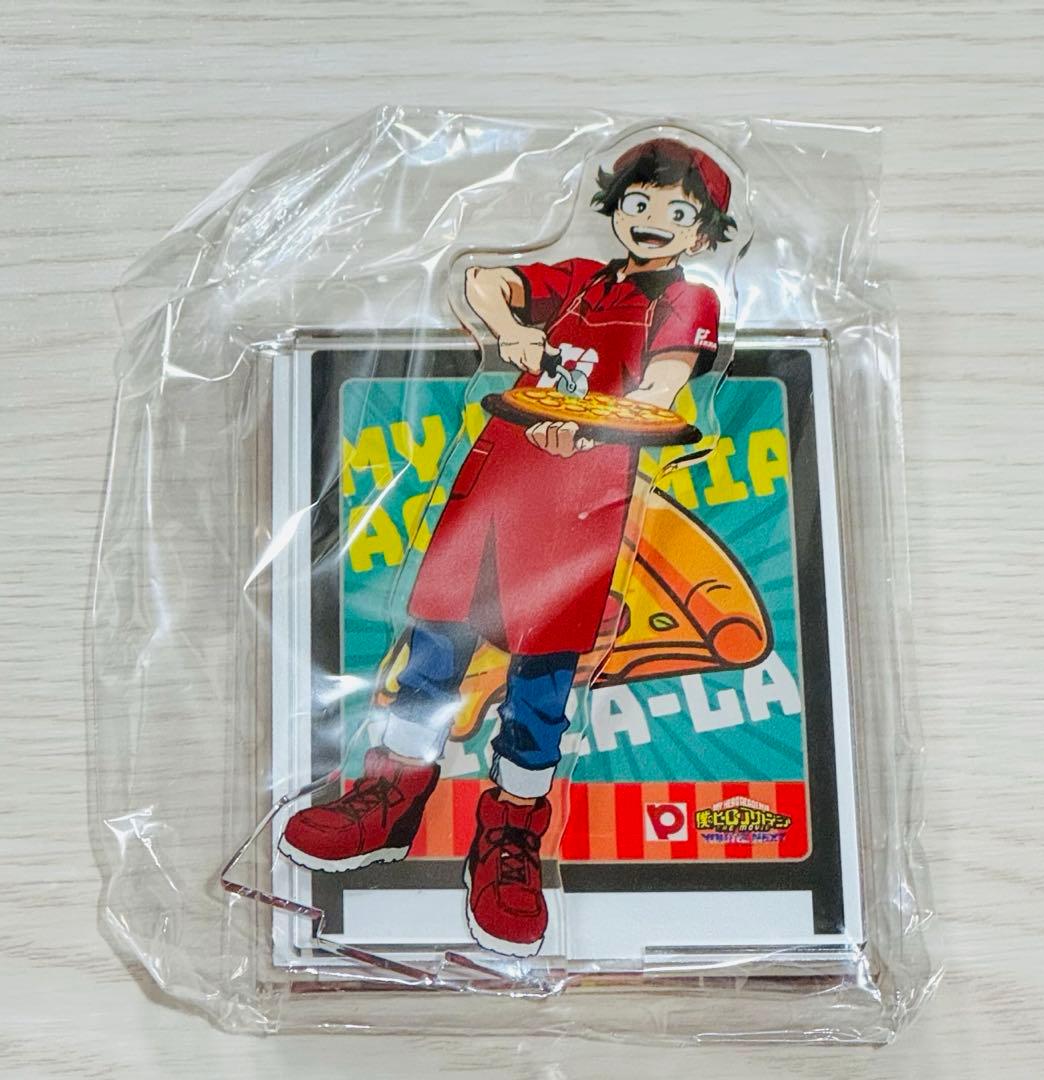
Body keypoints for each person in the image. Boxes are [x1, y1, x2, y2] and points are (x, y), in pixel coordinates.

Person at [280, 138, 737, 957]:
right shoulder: (581, 279)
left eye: (677, 211)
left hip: (580, 506)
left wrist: (597, 424)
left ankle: (513, 831)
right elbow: (483, 281)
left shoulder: (688, 300)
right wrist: (514, 334)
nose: (653, 220)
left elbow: (663, 384)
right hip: (496, 480)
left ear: (702, 233)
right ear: (616, 208)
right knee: (435, 645)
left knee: (541, 678)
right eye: (639, 203)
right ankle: (391, 797)